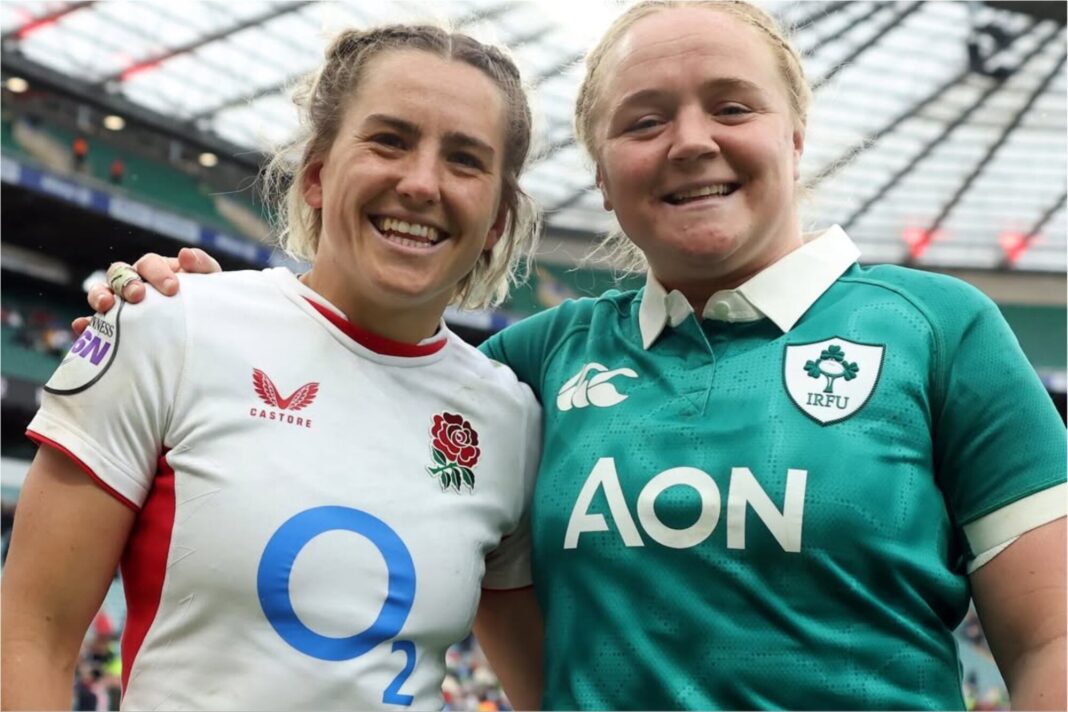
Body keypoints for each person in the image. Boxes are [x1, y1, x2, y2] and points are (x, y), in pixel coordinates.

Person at [69, 1, 1068, 710]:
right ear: (601, 172)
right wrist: (174, 302)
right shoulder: (531, 366)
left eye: (731, 107)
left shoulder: (944, 329)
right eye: (644, 120)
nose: (690, 142)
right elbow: (362, 374)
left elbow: (1051, 641)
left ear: (795, 137)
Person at [1, 24, 546, 711]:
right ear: (317, 174)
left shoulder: (510, 421)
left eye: (465, 160)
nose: (421, 183)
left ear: (497, 219)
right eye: (389, 140)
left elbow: (554, 690)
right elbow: (29, 639)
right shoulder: (168, 322)